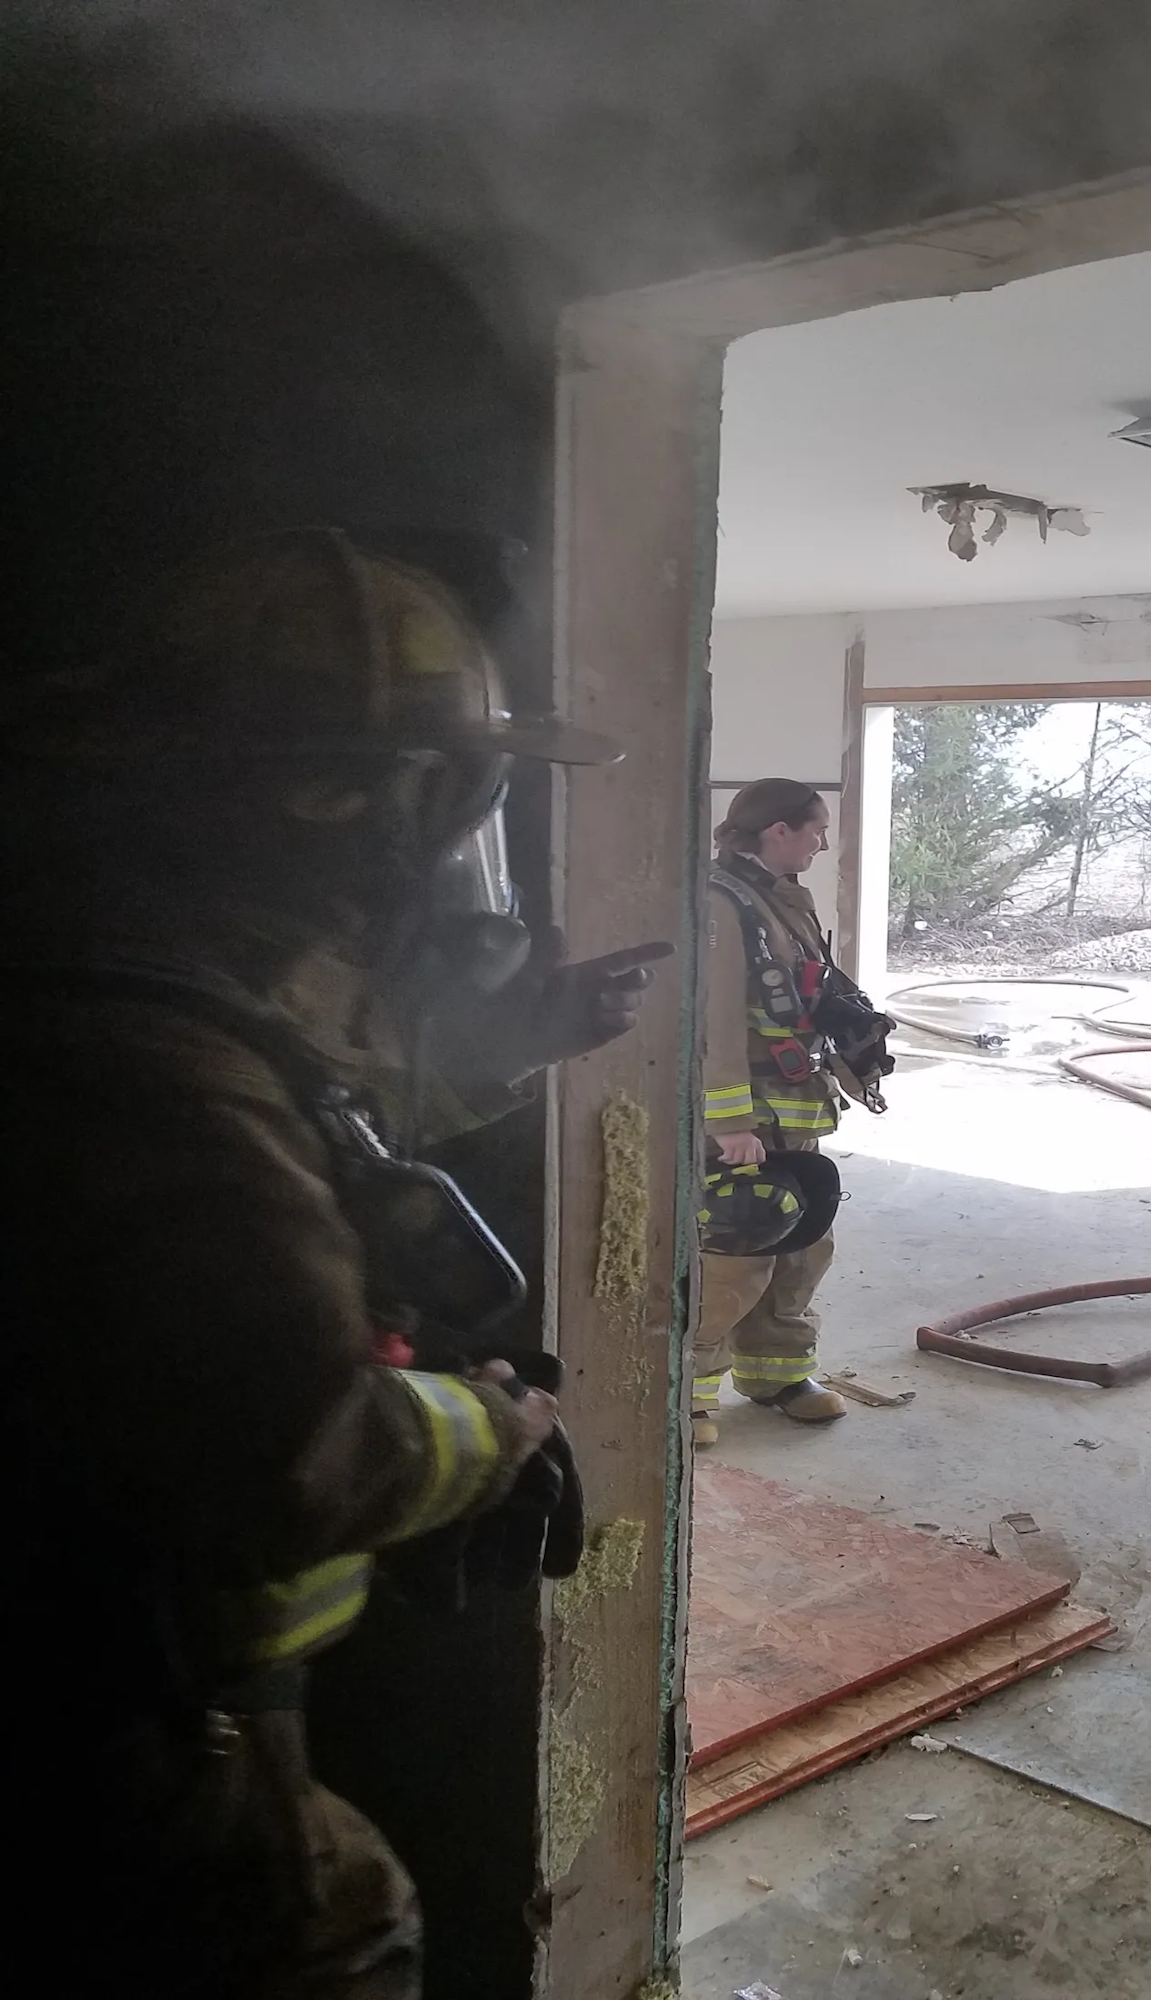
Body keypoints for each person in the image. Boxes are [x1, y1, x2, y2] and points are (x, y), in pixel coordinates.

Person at [2, 527, 669, 2000]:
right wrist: (493, 1429)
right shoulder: (155, 1063)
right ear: (336, 803)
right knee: (333, 1934)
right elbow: (295, 1451)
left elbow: (305, 1111)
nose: (444, 854)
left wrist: (501, 1044)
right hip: (137, 1743)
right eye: (446, 804)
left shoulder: (126, 964)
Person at [692, 777, 891, 1446]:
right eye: (815, 828)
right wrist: (728, 1124)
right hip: (747, 1111)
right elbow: (712, 1020)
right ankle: (688, 1392)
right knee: (737, 1242)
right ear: (778, 830)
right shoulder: (721, 904)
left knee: (803, 1242)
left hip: (797, 1104)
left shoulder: (781, 900)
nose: (823, 842)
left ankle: (775, 1374)